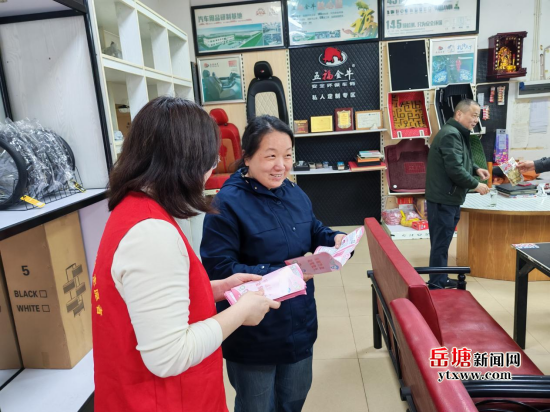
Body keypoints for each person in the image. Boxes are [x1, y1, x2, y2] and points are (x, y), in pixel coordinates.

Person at [92, 97, 280, 412]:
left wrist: (215, 289)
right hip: (162, 401)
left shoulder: (133, 210)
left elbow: (147, 300)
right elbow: (169, 355)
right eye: (210, 160)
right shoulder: (152, 234)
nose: (210, 170)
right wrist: (241, 312)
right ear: (187, 162)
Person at [200, 115, 346, 412]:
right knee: (256, 405)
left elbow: (312, 228)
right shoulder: (226, 204)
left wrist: (335, 238)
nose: (281, 165)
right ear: (247, 157)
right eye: (270, 156)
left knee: (293, 399)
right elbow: (219, 269)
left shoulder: (293, 191)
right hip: (254, 333)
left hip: (299, 323)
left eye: (287, 155)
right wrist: (289, 273)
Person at [425, 99, 490, 290]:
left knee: (442, 242)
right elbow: (454, 169)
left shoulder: (457, 132)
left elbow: (461, 159)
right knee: (440, 243)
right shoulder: (451, 134)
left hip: (448, 197)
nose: (476, 120)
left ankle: (440, 278)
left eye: (478, 116)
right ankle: (436, 284)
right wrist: (476, 185)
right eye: (473, 115)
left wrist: (476, 168)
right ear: (459, 114)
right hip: (443, 198)